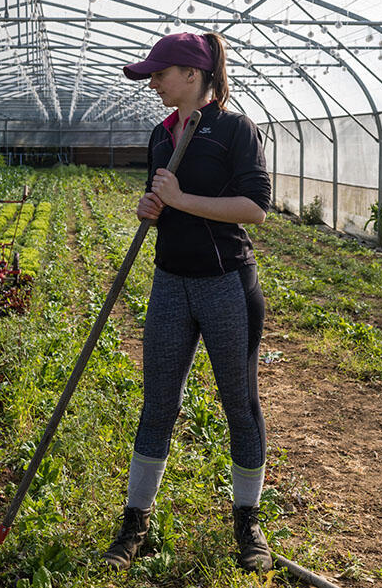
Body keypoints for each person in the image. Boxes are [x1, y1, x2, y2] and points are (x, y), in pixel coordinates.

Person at [101, 32, 273, 573]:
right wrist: (151, 209)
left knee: (239, 407)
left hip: (226, 283)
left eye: (159, 73)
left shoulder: (234, 130)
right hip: (171, 283)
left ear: (193, 75)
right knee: (158, 404)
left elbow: (255, 209)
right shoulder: (161, 134)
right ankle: (136, 521)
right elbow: (164, 204)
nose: (152, 82)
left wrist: (180, 199)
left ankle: (247, 519)